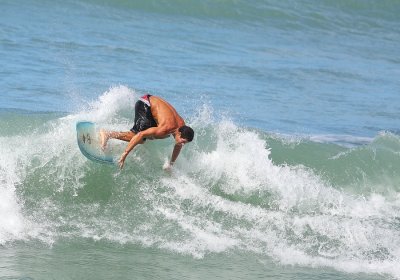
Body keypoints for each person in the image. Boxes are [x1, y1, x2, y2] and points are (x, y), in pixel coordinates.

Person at [100, 94, 194, 169]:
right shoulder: (165, 129)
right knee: (140, 137)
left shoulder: (182, 127)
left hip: (151, 104)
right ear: (180, 133)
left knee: (150, 136)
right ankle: (108, 134)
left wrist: (171, 164)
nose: (182, 144)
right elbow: (141, 134)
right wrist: (125, 154)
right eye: (183, 142)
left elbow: (178, 145)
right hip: (145, 104)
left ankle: (114, 135)